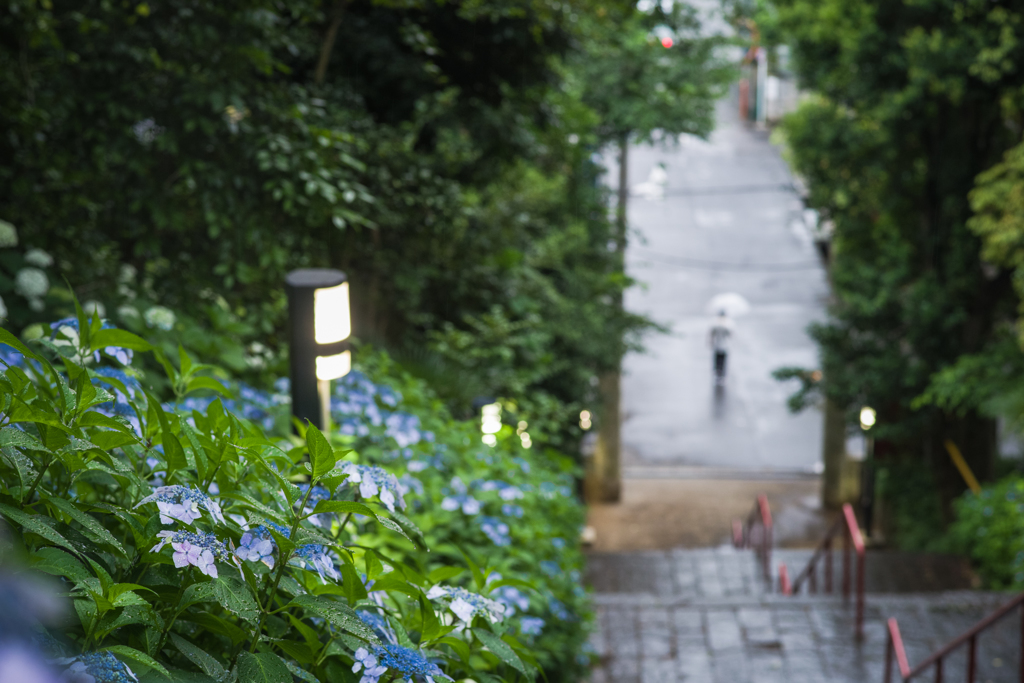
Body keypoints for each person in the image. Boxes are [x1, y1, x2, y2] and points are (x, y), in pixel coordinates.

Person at [708, 310, 733, 384]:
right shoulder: (727, 324)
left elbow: (712, 334)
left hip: (718, 345)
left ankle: (718, 374)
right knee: (722, 361)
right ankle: (721, 374)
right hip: (723, 346)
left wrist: (711, 342)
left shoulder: (716, 324)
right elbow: (730, 335)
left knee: (717, 360)